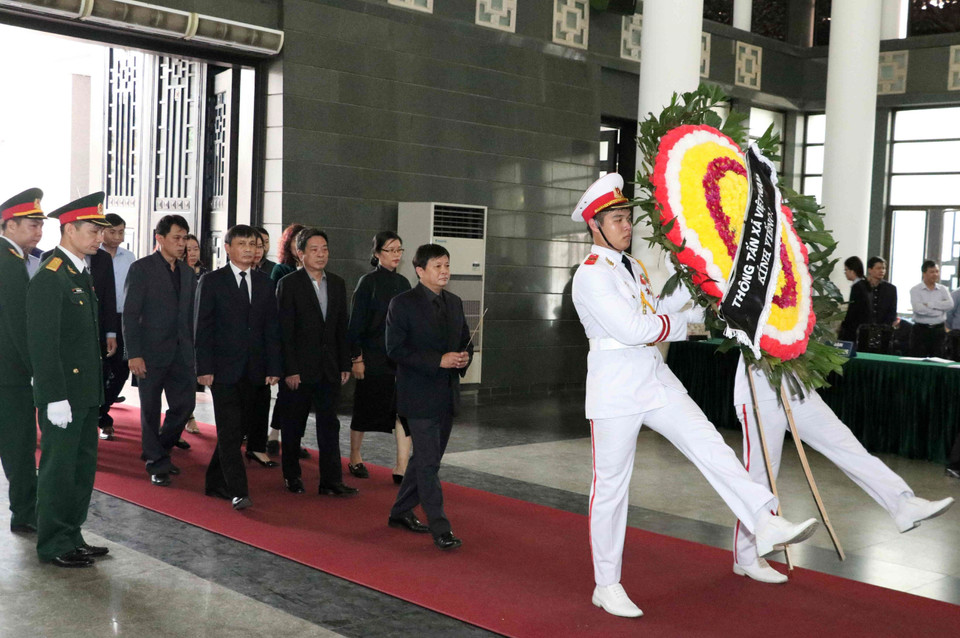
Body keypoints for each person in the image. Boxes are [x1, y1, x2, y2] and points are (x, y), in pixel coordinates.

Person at [569, 174, 818, 618]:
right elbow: (632, 329)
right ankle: (606, 584)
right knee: (610, 489)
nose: (627, 226)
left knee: (710, 446)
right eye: (617, 219)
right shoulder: (589, 276)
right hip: (615, 389)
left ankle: (764, 520)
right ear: (595, 225)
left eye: (628, 217)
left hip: (653, 376)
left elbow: (657, 313)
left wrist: (693, 276)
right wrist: (685, 326)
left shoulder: (634, 268)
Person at [731, 355, 954, 583]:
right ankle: (746, 555)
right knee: (762, 475)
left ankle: (903, 503)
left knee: (846, 445)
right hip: (758, 390)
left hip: (795, 386)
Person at [27, 191, 112, 568]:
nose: (100, 237)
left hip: (85, 393)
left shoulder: (79, 271)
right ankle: (52, 543)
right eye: (93, 230)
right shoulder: (52, 276)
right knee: (59, 469)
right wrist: (54, 396)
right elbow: (43, 344)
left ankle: (71, 533)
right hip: (64, 395)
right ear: (70, 229)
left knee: (81, 467)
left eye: (101, 231)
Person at [386, 243, 473, 551]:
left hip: (446, 394)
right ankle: (441, 527)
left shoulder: (454, 302)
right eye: (438, 266)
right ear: (420, 271)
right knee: (428, 465)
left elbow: (465, 340)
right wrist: (437, 360)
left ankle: (399, 512)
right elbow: (395, 349)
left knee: (427, 459)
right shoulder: (402, 303)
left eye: (447, 265)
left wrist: (463, 359)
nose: (445, 271)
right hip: (417, 395)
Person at [195, 225, 282, 510]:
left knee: (239, 428)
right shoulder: (212, 281)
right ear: (228, 248)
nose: (248, 249)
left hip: (255, 370)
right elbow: (202, 328)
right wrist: (203, 367)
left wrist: (273, 366)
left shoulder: (266, 282)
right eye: (242, 244)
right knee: (231, 432)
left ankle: (214, 481)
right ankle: (238, 490)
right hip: (222, 370)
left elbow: (272, 328)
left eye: (253, 244)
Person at [275, 228, 355, 495]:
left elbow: (341, 328)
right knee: (293, 424)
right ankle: (292, 475)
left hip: (329, 367)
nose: (321, 255)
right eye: (314, 250)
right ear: (300, 254)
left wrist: (345, 362)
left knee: (329, 425)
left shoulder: (337, 283)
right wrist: (290, 369)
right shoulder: (289, 284)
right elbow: (284, 332)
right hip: (298, 370)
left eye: (325, 249)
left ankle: (331, 481)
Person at [123, 215, 197, 487]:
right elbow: (130, 314)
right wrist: (134, 353)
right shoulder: (142, 268)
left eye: (185, 238)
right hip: (150, 352)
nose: (182, 243)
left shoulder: (188, 272)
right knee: (150, 410)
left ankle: (157, 448)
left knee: (184, 405)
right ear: (160, 238)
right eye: (177, 238)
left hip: (181, 353)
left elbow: (189, 316)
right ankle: (156, 462)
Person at [347, 231, 412, 483]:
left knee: (401, 412)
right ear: (377, 254)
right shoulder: (367, 282)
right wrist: (356, 358)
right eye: (390, 250)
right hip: (372, 357)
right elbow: (355, 325)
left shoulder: (405, 283)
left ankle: (401, 466)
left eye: (399, 249)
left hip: (398, 359)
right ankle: (355, 456)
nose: (396, 254)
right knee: (363, 409)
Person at [0, 188, 45, 536]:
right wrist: (35, 368)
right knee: (19, 443)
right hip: (10, 373)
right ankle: (25, 512)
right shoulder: (11, 264)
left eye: (40, 226)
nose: (38, 232)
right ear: (9, 225)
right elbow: (19, 324)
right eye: (31, 225)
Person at [266, 223, 307, 458]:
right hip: (286, 340)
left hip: (307, 345)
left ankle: (295, 439)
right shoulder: (282, 271)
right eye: (296, 240)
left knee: (301, 398)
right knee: (285, 393)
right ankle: (274, 434)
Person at [98, 213, 136, 440]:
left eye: (121, 231)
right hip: (100, 319)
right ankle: (102, 416)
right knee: (101, 368)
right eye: (112, 231)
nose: (117, 236)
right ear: (102, 231)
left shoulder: (128, 257)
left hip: (123, 319)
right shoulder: (92, 254)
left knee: (122, 368)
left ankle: (102, 411)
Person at [181, 233, 206, 435]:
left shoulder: (206, 274)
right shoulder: (176, 273)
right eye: (188, 249)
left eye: (195, 248)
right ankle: (185, 417)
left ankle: (188, 414)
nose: (192, 253)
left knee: (192, 379)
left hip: (199, 335)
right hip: (180, 335)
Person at [844, 257, 898, 342]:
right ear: (870, 270)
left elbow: (892, 311)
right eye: (878, 268)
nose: (882, 271)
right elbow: (852, 312)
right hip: (862, 331)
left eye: (883, 268)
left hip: (883, 332)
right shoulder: (859, 287)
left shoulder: (891, 289)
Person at [908, 260, 953, 357]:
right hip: (920, 330)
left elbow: (950, 304)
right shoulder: (915, 290)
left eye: (937, 271)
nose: (935, 274)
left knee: (938, 359)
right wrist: (939, 311)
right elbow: (918, 309)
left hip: (938, 330)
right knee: (917, 359)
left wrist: (930, 304)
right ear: (924, 273)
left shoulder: (943, 289)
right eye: (932, 272)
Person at [838, 256, 865, 341]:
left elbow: (853, 310)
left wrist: (844, 325)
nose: (845, 273)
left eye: (846, 270)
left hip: (855, 328)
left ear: (852, 271)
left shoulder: (857, 287)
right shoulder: (864, 284)